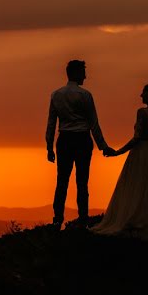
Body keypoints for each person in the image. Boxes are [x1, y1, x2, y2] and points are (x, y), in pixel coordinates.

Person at [91, 83, 148, 241]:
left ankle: (128, 221)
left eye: (144, 93)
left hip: (139, 153)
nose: (141, 95)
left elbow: (137, 138)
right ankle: (142, 223)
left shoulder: (141, 113)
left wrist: (118, 152)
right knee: (147, 191)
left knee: (132, 187)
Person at [46, 60, 114, 228]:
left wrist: (49, 147)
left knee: (62, 180)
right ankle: (83, 218)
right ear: (76, 73)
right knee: (82, 181)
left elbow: (51, 124)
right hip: (82, 139)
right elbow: (93, 123)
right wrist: (103, 146)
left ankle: (57, 219)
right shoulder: (85, 95)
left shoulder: (56, 95)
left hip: (64, 140)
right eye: (83, 72)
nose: (85, 76)